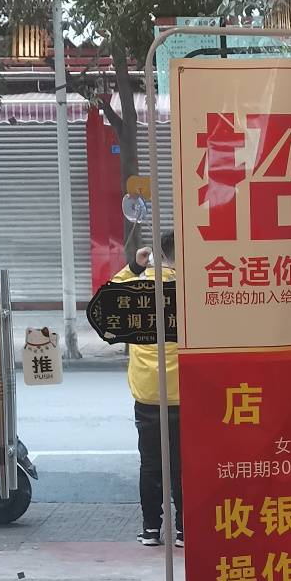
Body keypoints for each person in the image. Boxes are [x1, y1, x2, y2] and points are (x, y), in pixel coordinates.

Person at [113, 233, 183, 547]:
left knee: (151, 464)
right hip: (183, 393)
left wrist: (133, 267)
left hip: (146, 393)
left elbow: (108, 298)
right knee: (181, 466)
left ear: (155, 256)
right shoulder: (187, 289)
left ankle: (151, 530)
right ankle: (184, 531)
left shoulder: (134, 289)